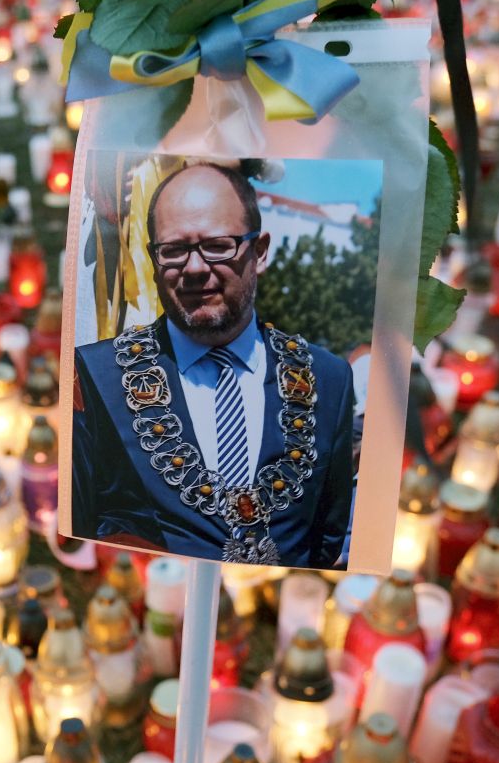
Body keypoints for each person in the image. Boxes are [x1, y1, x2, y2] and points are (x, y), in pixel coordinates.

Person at [71, 163, 355, 567]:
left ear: (259, 252)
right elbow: (84, 529)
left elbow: (326, 539)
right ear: (153, 260)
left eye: (218, 245)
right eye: (174, 250)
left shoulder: (329, 379)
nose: (195, 268)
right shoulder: (98, 377)